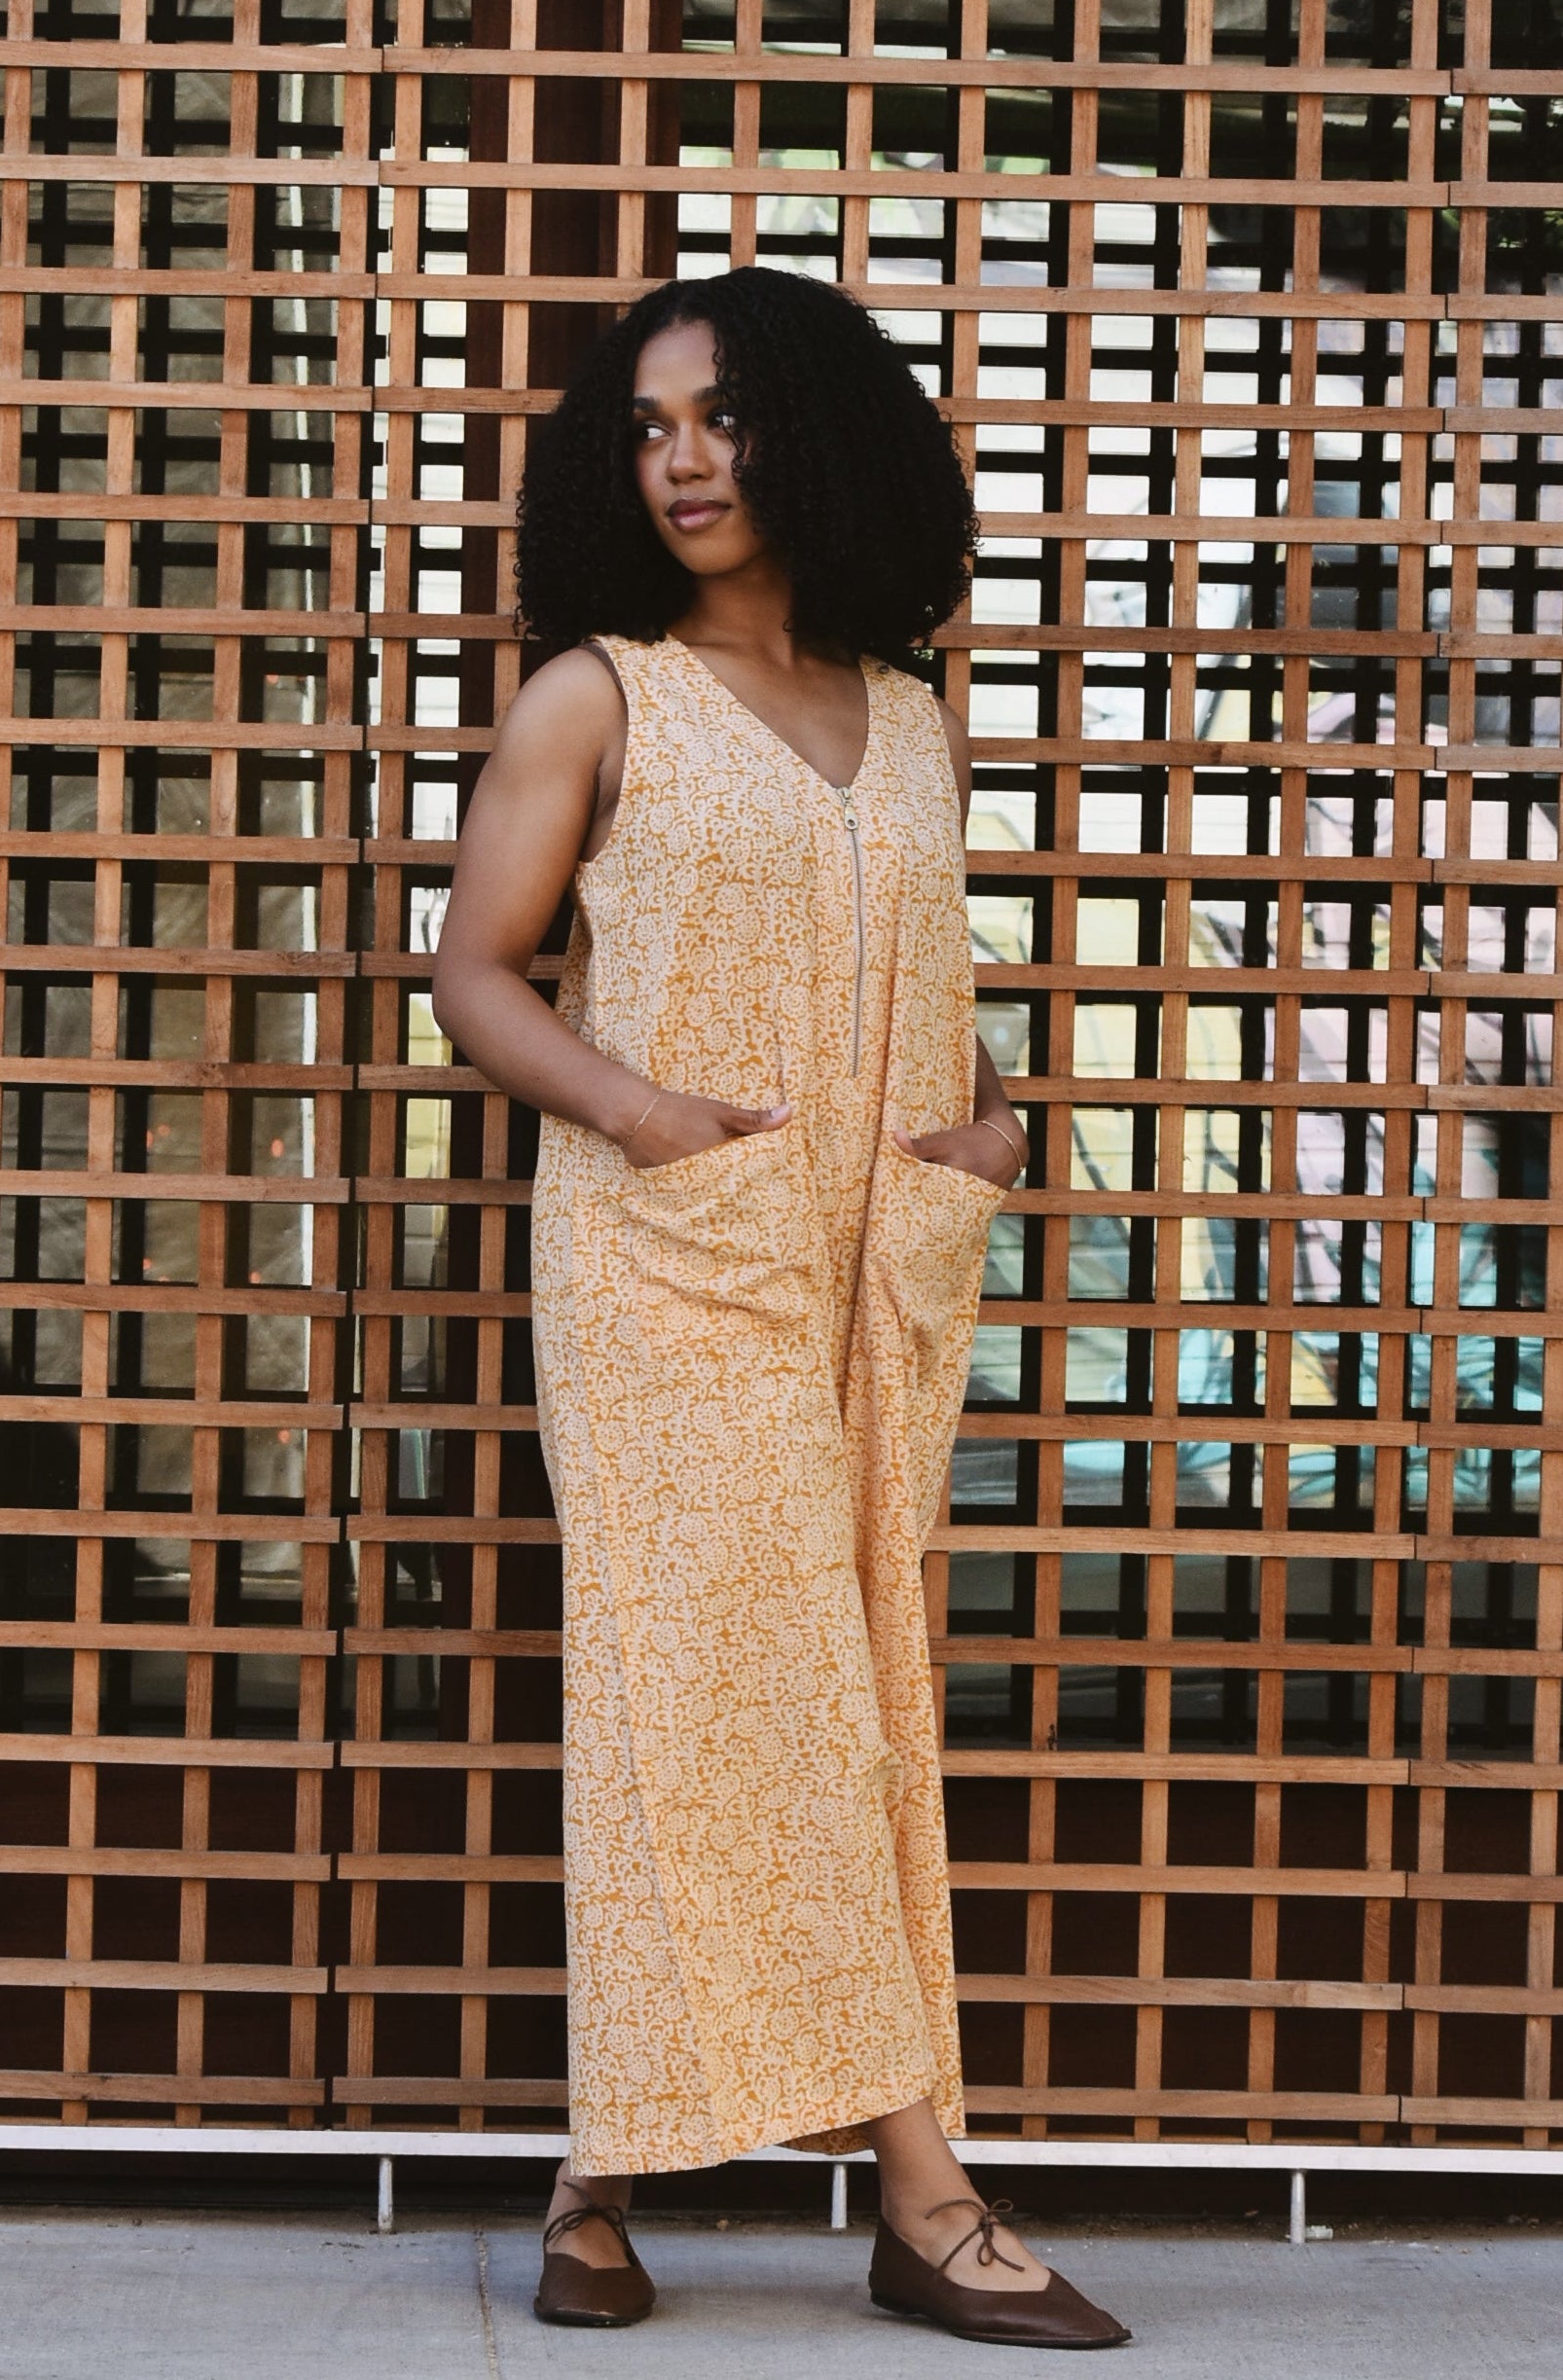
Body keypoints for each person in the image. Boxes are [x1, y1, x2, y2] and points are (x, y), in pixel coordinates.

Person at [431, 266, 1129, 2352]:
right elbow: (475, 969)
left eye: (721, 416)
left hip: (873, 1289)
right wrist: (644, 1114)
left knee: (811, 1713)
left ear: (816, 430)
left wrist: (990, 1132)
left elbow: (920, 970)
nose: (685, 461)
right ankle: (931, 2200)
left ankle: (597, 2179)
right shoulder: (599, 694)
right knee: (764, 1701)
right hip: (669, 1270)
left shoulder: (907, 712)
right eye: (645, 430)